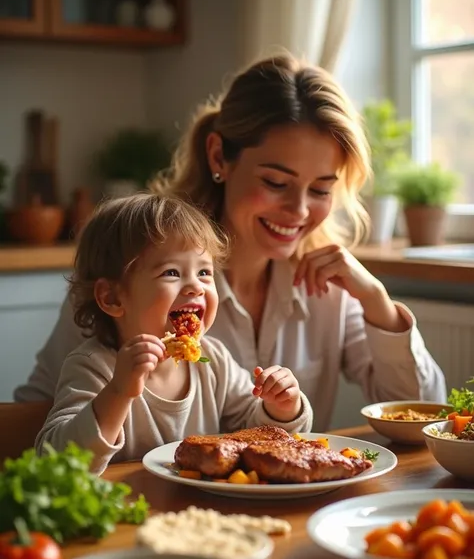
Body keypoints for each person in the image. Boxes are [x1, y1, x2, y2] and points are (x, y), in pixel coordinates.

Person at [18, 53, 446, 428]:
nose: (298, 212)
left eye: (319, 190)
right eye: (276, 182)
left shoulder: (329, 287)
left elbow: (426, 414)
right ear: (219, 156)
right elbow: (36, 415)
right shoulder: (131, 267)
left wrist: (376, 300)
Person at [35, 195, 312, 473]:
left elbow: (257, 435)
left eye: (204, 271)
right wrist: (118, 392)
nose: (195, 286)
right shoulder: (94, 366)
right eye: (171, 272)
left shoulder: (213, 360)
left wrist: (282, 407)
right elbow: (56, 459)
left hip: (201, 511)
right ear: (112, 298)